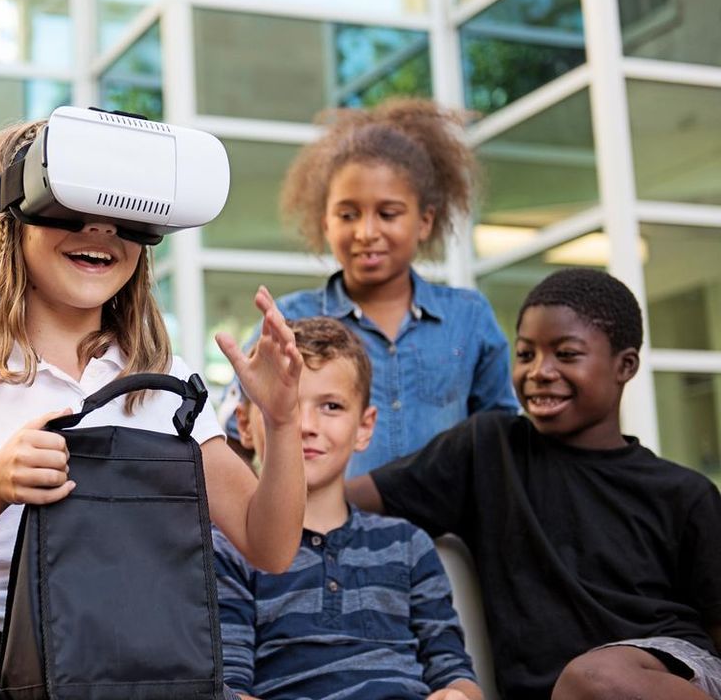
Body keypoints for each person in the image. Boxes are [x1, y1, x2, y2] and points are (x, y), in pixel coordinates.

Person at [0, 119, 306, 699]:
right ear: (13, 222)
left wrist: (281, 421)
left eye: (123, 216)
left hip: (146, 662)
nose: (99, 229)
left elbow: (267, 545)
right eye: (71, 207)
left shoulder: (166, 387)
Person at [349, 268, 721, 700]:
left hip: (667, 671)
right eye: (526, 354)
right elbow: (339, 502)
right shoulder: (487, 450)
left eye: (566, 354)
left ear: (625, 365)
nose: (540, 371)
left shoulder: (684, 493)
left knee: (595, 679)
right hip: (557, 690)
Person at [221, 99, 518, 476]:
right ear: (325, 223)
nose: (366, 232)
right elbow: (233, 438)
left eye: (388, 214)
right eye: (348, 215)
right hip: (318, 532)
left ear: (425, 221)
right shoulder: (288, 322)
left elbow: (501, 442)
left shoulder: (468, 318)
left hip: (445, 535)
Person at [216, 316, 481, 700]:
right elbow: (227, 689)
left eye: (331, 406)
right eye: (285, 404)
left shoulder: (408, 546)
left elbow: (455, 673)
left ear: (365, 427)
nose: (305, 425)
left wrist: (457, 696)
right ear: (244, 423)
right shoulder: (228, 550)